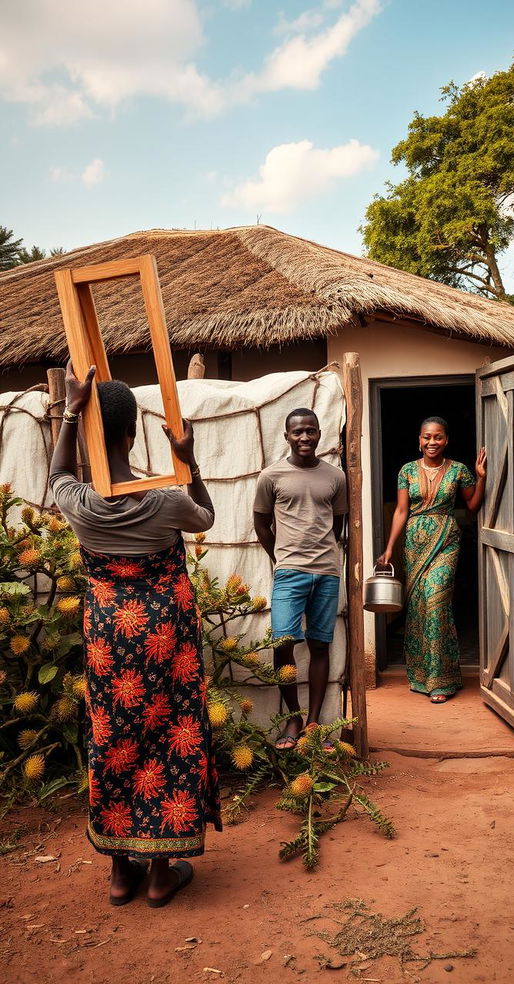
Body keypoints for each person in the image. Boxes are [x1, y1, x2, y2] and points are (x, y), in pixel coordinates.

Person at [50, 362, 221, 908]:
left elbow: (57, 475)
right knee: (169, 733)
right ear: (131, 433)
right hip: (163, 640)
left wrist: (73, 414)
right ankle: (160, 874)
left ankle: (121, 873)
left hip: (107, 639)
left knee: (115, 736)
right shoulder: (166, 499)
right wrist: (188, 459)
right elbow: (208, 517)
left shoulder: (80, 504)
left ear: (96, 435)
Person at [253, 408, 348, 750]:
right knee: (283, 643)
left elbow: (336, 526)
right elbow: (261, 523)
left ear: (319, 433)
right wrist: (279, 557)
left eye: (310, 431)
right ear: (287, 437)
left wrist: (321, 553)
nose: (305, 438)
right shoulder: (271, 476)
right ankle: (292, 716)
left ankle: (313, 723)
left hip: (326, 573)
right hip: (289, 573)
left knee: (321, 644)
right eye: (297, 432)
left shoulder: (335, 477)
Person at [378, 416, 486, 703]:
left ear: (446, 440)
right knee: (419, 606)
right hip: (414, 543)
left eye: (437, 437)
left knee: (436, 600)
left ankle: (442, 679)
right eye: (427, 437)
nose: (432, 442)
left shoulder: (459, 470)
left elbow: (473, 506)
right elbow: (402, 511)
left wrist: (482, 477)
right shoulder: (407, 471)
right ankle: (421, 675)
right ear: (419, 440)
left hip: (446, 540)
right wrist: (389, 548)